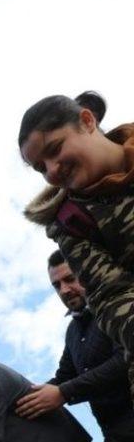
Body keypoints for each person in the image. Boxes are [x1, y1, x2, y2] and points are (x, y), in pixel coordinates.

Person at [16, 251, 134, 442]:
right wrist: (19, 396)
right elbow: (64, 376)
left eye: (71, 279)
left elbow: (126, 360)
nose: (65, 289)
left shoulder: (118, 307)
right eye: (57, 285)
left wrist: (64, 393)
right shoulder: (74, 332)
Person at [19, 91, 134, 397]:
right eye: (41, 168)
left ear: (86, 121)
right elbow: (113, 298)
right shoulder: (72, 223)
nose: (52, 171)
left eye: (55, 150)